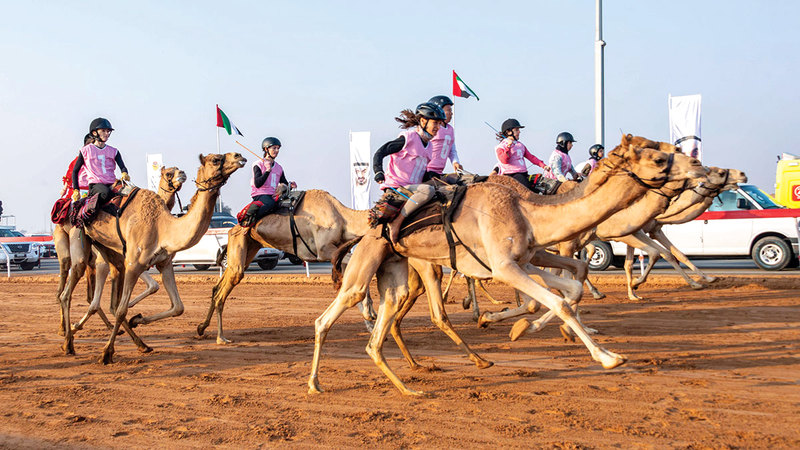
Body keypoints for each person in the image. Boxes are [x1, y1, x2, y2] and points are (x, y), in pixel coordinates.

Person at [373, 102, 445, 242]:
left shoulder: (429, 146)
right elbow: (380, 152)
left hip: (413, 190)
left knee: (447, 184)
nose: (438, 127)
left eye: (440, 124)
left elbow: (421, 174)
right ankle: (397, 223)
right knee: (428, 191)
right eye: (435, 123)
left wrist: (435, 177)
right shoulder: (408, 138)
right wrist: (378, 172)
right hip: (397, 189)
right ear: (423, 121)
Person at [71, 118, 129, 204]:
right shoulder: (86, 150)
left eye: (108, 131)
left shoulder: (114, 151)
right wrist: (76, 190)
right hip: (95, 185)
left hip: (112, 184)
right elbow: (75, 171)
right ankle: (94, 214)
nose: (106, 134)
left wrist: (124, 173)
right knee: (106, 193)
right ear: (94, 132)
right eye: (103, 131)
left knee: (130, 194)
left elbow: (122, 167)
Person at [249, 137, 296, 220]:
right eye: (274, 148)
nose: (277, 150)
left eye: (278, 148)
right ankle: (251, 218)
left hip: (273, 195)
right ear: (266, 149)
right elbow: (258, 184)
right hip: (260, 194)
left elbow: (283, 182)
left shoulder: (279, 167)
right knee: (270, 204)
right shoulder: (258, 164)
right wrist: (267, 171)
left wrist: (290, 185)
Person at [494, 118, 550, 187]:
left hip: (523, 174)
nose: (519, 132)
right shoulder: (501, 146)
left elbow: (531, 157)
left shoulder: (520, 145)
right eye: (517, 130)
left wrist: (543, 165)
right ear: (509, 132)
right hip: (511, 175)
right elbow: (504, 160)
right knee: (527, 188)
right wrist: (508, 146)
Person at [424, 95, 463, 180]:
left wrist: (455, 162)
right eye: (448, 110)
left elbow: (452, 149)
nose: (451, 113)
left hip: (439, 171)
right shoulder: (432, 129)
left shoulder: (450, 129)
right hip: (427, 171)